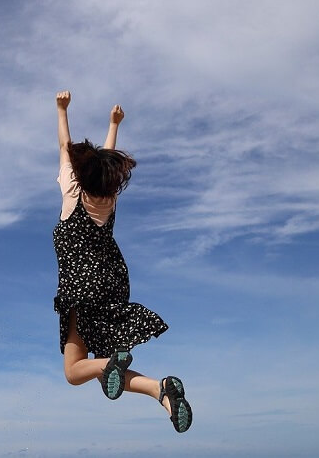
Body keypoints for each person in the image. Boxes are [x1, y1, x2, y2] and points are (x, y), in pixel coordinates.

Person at [52, 90, 192, 433]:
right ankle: (161, 392)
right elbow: (106, 158)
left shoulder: (74, 193)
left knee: (73, 372)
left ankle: (114, 364)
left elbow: (63, 145)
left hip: (81, 287)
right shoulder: (109, 198)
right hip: (112, 283)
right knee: (102, 369)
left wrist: (61, 110)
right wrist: (114, 124)